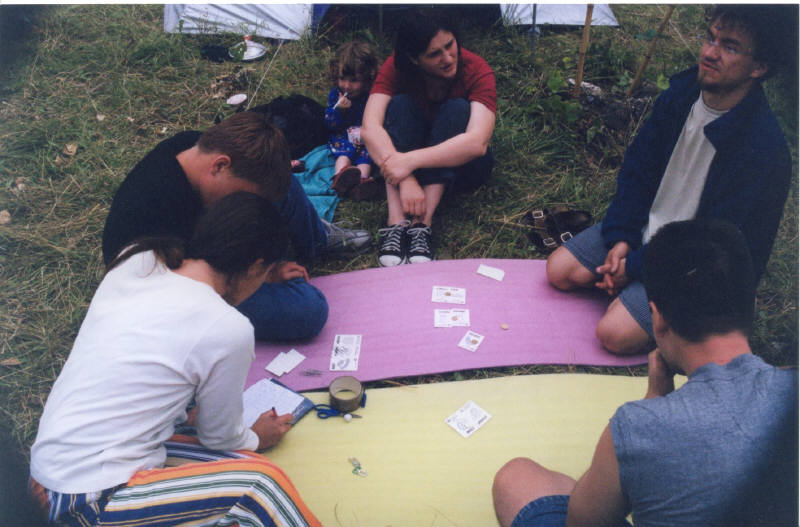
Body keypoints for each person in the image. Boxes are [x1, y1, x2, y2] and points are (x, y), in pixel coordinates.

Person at [30, 192, 321, 527]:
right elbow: (220, 438)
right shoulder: (228, 327)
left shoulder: (138, 259)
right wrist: (256, 437)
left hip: (46, 475)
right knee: (258, 485)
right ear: (256, 267)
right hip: (88, 502)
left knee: (219, 457)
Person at [493, 218, 798, 527]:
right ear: (753, 303)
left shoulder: (636, 428)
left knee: (517, 479)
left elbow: (582, 522)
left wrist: (653, 401)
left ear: (657, 319)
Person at [546, 5, 794, 354]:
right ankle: (631, 289)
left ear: (760, 67)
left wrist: (634, 267)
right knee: (559, 271)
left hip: (696, 268)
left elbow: (712, 243)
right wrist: (622, 239)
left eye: (730, 46)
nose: (710, 53)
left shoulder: (761, 148)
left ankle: (663, 309)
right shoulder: (680, 95)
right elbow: (637, 172)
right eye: (710, 38)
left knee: (613, 334)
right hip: (647, 232)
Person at [102, 111, 373, 341]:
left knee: (278, 179)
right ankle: (280, 263)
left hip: (212, 245)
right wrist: (262, 275)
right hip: (177, 285)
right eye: (244, 197)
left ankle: (317, 239)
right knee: (309, 310)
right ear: (219, 166)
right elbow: (198, 281)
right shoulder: (156, 213)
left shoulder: (194, 147)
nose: (250, 205)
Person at [362, 11, 496, 266]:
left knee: (457, 109)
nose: (448, 58)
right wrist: (406, 178)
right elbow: (370, 128)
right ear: (414, 59)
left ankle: (421, 224)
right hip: (408, 149)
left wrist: (409, 162)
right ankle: (396, 222)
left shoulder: (476, 68)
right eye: (435, 54)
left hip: (458, 163)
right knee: (399, 105)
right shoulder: (396, 67)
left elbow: (477, 142)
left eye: (450, 45)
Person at [324, 40, 382, 200]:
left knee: (367, 156)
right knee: (345, 153)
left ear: (367, 79)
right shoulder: (336, 95)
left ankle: (361, 183)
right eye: (342, 78)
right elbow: (329, 123)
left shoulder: (371, 96)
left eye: (354, 80)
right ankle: (340, 178)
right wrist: (340, 111)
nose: (347, 86)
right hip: (343, 136)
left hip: (365, 137)